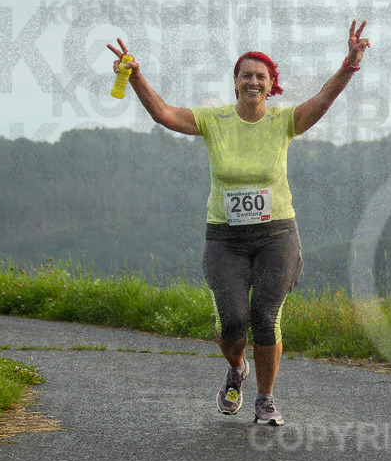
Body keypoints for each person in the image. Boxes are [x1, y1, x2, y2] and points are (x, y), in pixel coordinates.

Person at [107, 21, 371, 427]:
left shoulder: (283, 122)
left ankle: (265, 399)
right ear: (235, 83)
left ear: (271, 85)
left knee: (265, 316)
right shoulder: (214, 121)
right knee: (231, 321)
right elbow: (163, 114)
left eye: (260, 76)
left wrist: (349, 65)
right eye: (245, 75)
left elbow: (322, 100)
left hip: (277, 234)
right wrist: (137, 76)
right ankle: (237, 369)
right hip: (225, 238)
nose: (253, 81)